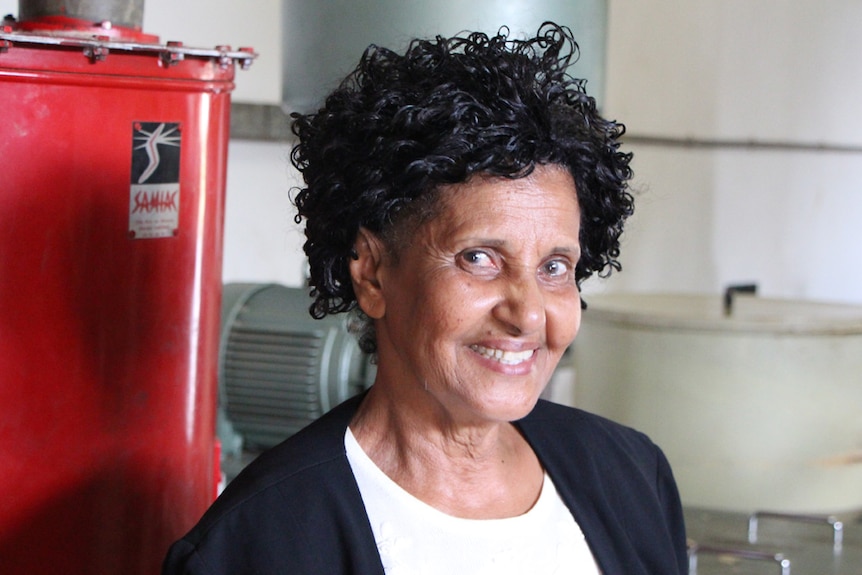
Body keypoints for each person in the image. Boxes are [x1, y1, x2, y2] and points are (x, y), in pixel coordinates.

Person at [163, 22, 688, 574]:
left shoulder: (630, 476)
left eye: (554, 267)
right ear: (373, 273)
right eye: (480, 258)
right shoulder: (259, 544)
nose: (529, 312)